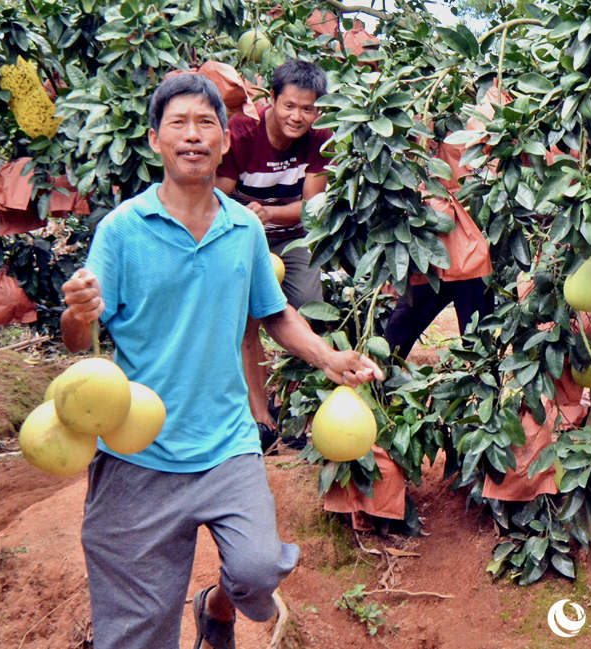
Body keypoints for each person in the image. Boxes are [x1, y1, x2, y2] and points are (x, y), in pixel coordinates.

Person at [60, 74, 383, 649]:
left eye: (206, 122)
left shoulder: (243, 231)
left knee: (257, 570)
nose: (193, 135)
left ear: (225, 140)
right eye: (178, 123)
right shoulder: (121, 232)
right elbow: (77, 339)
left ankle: (215, 604)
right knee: (138, 628)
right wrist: (78, 312)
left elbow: (276, 314)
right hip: (137, 451)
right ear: (155, 138)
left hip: (225, 444)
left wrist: (327, 357)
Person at [215, 59, 331, 448]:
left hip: (294, 239)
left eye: (308, 108)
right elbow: (218, 196)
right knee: (250, 324)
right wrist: (249, 222)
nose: (298, 117)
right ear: (273, 101)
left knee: (307, 311)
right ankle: (261, 415)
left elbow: (312, 208)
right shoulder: (242, 134)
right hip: (244, 239)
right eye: (290, 106)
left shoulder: (319, 141)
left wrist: (268, 213)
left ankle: (295, 409)